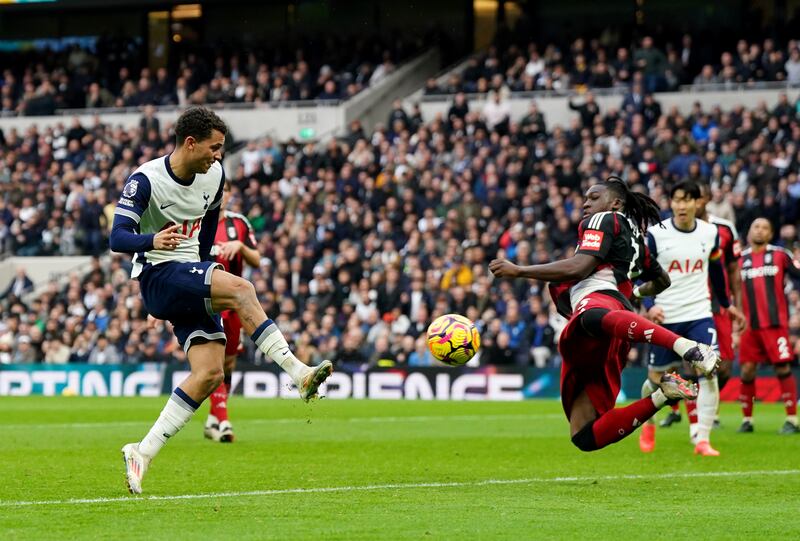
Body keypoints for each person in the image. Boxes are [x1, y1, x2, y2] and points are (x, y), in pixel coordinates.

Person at [110, 107, 333, 494]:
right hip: (159, 275)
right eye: (214, 148)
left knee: (210, 374)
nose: (218, 155)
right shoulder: (145, 179)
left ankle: (141, 452)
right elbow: (117, 237)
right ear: (190, 142)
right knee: (243, 290)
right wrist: (151, 241)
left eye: (222, 149)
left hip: (189, 275)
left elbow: (207, 231)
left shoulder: (214, 176)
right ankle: (298, 373)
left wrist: (207, 272)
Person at [490, 178, 718, 453]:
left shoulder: (603, 220)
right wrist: (635, 293)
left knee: (590, 318)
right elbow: (662, 280)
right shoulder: (636, 239)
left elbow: (579, 267)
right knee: (584, 436)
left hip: (599, 305)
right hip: (617, 326)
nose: (586, 203)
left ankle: (687, 347)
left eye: (594, 197)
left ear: (615, 203)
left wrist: (520, 270)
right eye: (586, 198)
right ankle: (663, 395)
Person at [638, 181, 744, 456]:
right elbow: (643, 274)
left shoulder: (711, 233)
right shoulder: (656, 234)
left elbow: (717, 271)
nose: (682, 205)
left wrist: (726, 304)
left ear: (698, 203)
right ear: (670, 203)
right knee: (656, 380)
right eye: (677, 200)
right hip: (665, 316)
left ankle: (702, 439)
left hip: (699, 314)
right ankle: (648, 424)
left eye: (687, 200)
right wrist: (649, 306)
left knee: (709, 372)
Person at [203, 179, 261, 443]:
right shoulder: (198, 221)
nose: (221, 195)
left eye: (224, 190)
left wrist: (240, 247)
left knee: (228, 363)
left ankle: (215, 416)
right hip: (207, 301)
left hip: (234, 303)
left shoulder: (239, 223)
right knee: (213, 362)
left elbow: (257, 260)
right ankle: (223, 421)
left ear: (229, 194)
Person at [737, 218, 800, 434]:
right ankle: (747, 420)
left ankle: (792, 419)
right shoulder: (739, 259)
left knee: (782, 367)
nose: (760, 231)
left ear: (771, 234)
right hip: (748, 326)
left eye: (765, 228)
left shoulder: (780, 255)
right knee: (747, 371)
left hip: (775, 324)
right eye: (756, 226)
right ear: (749, 232)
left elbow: (797, 274)